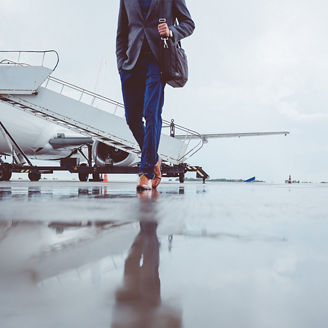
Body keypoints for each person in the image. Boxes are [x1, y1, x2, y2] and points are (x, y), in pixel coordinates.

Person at [116, 0, 195, 191]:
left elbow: (189, 24)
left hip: (157, 61)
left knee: (151, 114)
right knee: (132, 119)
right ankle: (154, 158)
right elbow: (122, 32)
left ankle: (146, 173)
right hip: (130, 63)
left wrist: (172, 32)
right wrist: (120, 63)